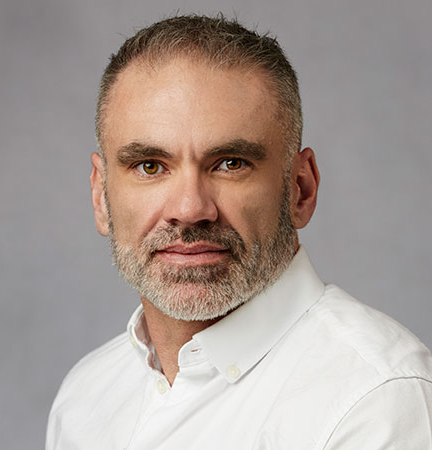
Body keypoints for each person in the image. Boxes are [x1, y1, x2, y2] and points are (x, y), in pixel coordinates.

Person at [46, 14, 432, 450]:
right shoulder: (83, 400)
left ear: (301, 189)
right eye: (150, 166)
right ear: (100, 196)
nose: (190, 209)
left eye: (230, 163)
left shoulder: (375, 402)